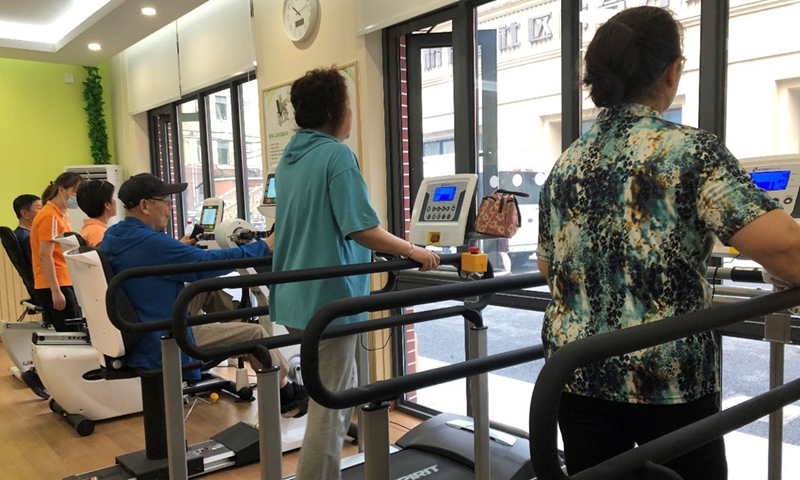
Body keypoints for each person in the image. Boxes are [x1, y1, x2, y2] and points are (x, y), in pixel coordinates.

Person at [536, 6, 800, 480]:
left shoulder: (567, 162)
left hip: (575, 374)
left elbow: (548, 266)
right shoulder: (691, 152)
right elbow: (788, 249)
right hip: (667, 377)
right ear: (672, 70)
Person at [270, 67, 440, 480]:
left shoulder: (290, 157)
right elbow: (362, 228)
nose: (352, 112)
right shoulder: (337, 155)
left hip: (294, 298)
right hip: (329, 302)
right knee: (331, 409)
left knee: (331, 395)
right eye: (349, 104)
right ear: (336, 110)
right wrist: (414, 251)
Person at [101, 173, 307, 417]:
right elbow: (207, 264)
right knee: (255, 333)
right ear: (145, 206)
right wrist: (264, 246)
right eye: (165, 201)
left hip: (145, 322)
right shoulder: (150, 243)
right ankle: (288, 396)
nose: (170, 208)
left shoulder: (116, 235)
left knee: (206, 288)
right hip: (164, 338)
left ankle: (232, 328)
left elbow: (160, 259)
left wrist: (180, 249)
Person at [31, 172, 84, 333]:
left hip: (65, 280)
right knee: (71, 334)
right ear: (61, 190)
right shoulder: (50, 215)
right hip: (55, 283)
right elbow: (45, 256)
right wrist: (55, 291)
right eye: (75, 191)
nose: (77, 197)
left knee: (76, 329)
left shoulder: (62, 215)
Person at [76, 179, 117, 247]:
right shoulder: (98, 232)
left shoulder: (90, 228)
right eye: (113, 197)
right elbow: (103, 253)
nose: (115, 200)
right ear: (107, 205)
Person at [12, 194, 43, 264]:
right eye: (40, 208)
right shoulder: (28, 238)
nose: (44, 212)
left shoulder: (18, 234)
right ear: (24, 214)